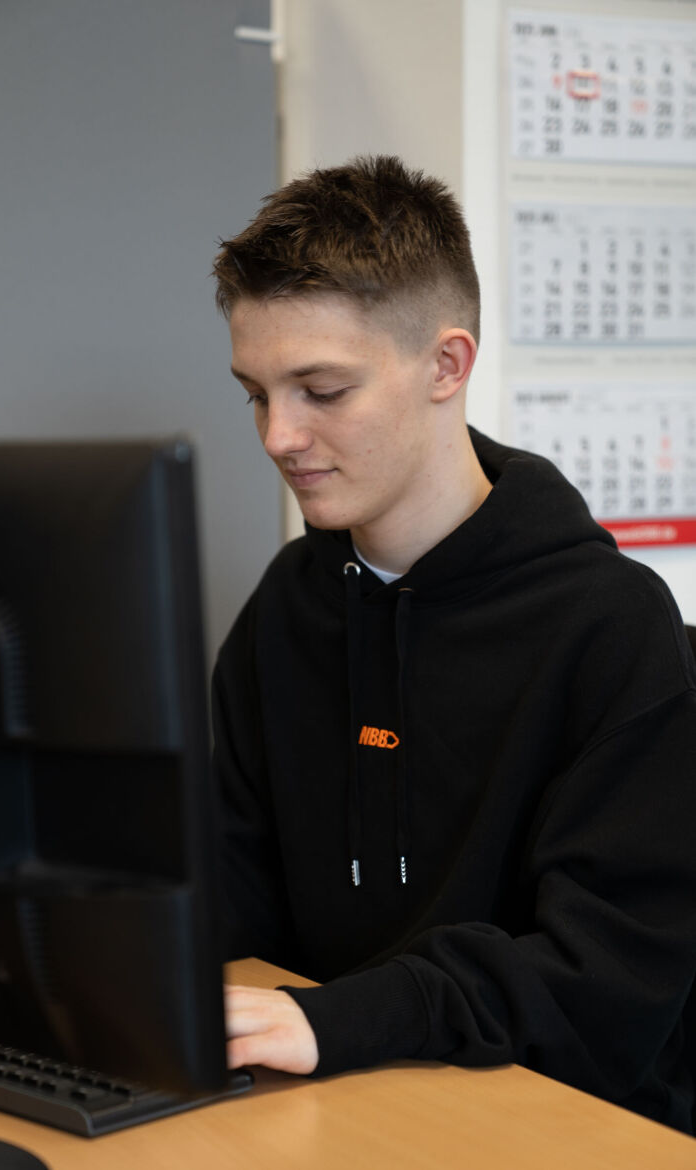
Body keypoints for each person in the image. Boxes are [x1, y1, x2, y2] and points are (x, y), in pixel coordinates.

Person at [210, 155, 696, 1132]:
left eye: (321, 389)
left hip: (567, 1121)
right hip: (344, 1099)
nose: (277, 435)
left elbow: (603, 984)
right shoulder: (289, 608)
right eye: (256, 393)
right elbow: (231, 899)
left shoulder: (613, 632)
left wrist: (342, 1018)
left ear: (446, 365)